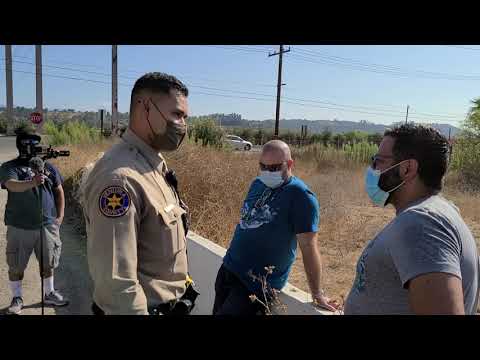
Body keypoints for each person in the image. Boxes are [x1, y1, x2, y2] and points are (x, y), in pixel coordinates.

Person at [83, 72, 197, 315]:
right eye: (176, 114)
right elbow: (116, 283)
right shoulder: (120, 179)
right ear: (145, 107)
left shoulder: (152, 165)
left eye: (185, 117)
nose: (182, 125)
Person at [344, 123, 480, 315]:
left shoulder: (421, 224)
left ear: (407, 169)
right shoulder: (438, 212)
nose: (372, 168)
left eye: (378, 161)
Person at [213, 140, 339, 315]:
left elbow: (309, 246)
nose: (267, 172)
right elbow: (247, 221)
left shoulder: (301, 197)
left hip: (255, 285)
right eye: (263, 166)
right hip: (229, 269)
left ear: (289, 164)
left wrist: (317, 293)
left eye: (274, 168)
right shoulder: (257, 184)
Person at [0, 130, 68, 315]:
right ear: (23, 145)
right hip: (19, 225)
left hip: (47, 225)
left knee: (49, 262)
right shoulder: (10, 166)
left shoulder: (48, 167)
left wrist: (60, 216)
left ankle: (49, 293)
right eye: (32, 143)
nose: (35, 147)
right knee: (16, 265)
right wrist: (33, 182)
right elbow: (11, 184)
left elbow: (59, 190)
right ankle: (17, 297)